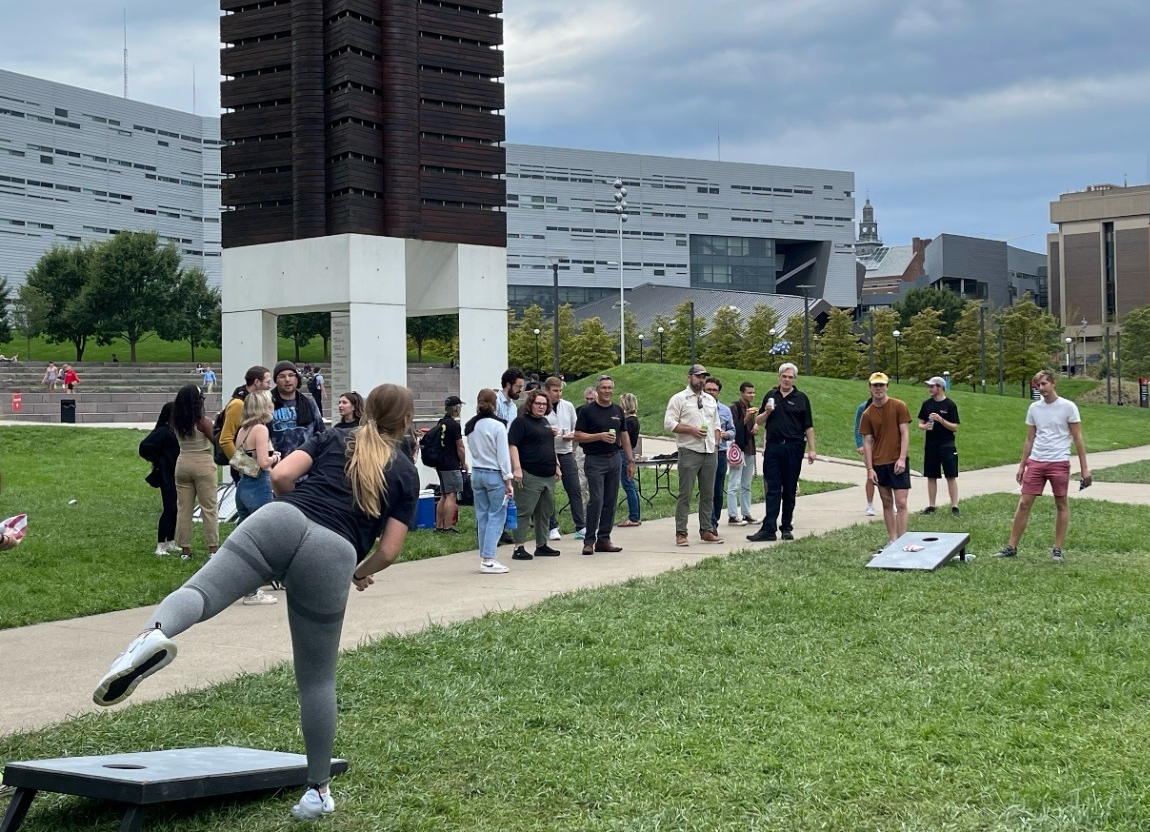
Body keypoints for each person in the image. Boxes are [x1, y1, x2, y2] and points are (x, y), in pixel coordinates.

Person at [93, 384, 419, 822]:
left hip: (282, 518)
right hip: (334, 551)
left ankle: (150, 638)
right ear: (405, 421)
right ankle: (317, 791)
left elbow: (282, 478)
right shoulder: (404, 471)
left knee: (201, 592)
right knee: (316, 679)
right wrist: (358, 573)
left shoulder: (334, 436)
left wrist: (290, 522)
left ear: (366, 412)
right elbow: (390, 549)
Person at [994, 370, 1090, 562]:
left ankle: (1057, 549)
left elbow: (1078, 438)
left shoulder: (1068, 407)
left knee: (1061, 504)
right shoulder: (1034, 409)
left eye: (1044, 384)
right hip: (1036, 461)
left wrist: (1084, 468)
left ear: (1053, 383)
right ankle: (1011, 547)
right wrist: (1022, 466)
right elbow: (1029, 439)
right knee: (1024, 503)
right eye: (1038, 385)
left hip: (1058, 461)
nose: (1041, 388)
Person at [747, 362, 817, 543]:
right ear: (779, 377)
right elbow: (760, 421)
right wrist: (767, 412)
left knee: (789, 488)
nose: (787, 380)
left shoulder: (801, 398)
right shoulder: (771, 396)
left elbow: (808, 426)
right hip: (774, 447)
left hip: (793, 447)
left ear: (795, 379)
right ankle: (769, 528)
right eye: (784, 376)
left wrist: (812, 449)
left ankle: (786, 527)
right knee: (772, 488)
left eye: (790, 377)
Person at [231, 390, 283, 606]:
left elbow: (240, 459)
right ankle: (253, 591)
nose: (272, 405)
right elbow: (263, 462)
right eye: (269, 402)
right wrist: (275, 457)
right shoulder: (260, 429)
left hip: (243, 486)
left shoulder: (243, 429)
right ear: (263, 406)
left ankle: (246, 585)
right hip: (259, 484)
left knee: (247, 539)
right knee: (262, 540)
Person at [664, 364, 724, 547]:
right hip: (689, 451)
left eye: (704, 376)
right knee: (685, 494)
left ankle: (706, 529)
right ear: (689, 377)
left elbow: (716, 424)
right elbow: (668, 424)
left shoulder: (710, 400)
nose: (702, 379)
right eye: (698, 376)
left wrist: (716, 441)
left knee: (708, 494)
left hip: (709, 451)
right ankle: (681, 532)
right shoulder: (679, 399)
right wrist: (691, 429)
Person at [574, 374, 634, 555]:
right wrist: (599, 436)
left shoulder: (617, 410)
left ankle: (604, 539)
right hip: (594, 459)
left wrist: (630, 460)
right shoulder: (587, 411)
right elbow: (577, 435)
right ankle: (589, 541)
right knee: (597, 499)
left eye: (610, 388)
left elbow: (624, 435)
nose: (607, 391)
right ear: (597, 390)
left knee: (610, 499)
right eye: (603, 388)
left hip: (615, 458)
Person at [860, 372, 911, 555]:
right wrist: (870, 468)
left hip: (898, 461)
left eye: (882, 385)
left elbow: (905, 432)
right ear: (870, 388)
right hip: (879, 463)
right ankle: (893, 540)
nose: (879, 389)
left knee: (902, 501)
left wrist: (902, 458)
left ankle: (904, 539)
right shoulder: (867, 414)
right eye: (875, 385)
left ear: (887, 387)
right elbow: (867, 441)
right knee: (887, 502)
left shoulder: (899, 406)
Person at [508, 390, 562, 560]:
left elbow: (549, 446)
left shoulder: (545, 422)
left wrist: (557, 465)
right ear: (530, 404)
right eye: (538, 403)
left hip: (548, 475)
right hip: (529, 474)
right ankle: (519, 547)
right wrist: (517, 468)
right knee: (524, 511)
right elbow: (513, 445)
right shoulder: (520, 422)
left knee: (544, 512)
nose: (541, 406)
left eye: (544, 404)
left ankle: (542, 544)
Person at [464, 389, 513, 574]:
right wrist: (508, 479)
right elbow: (503, 455)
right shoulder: (498, 426)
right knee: (497, 515)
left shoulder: (470, 426)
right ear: (495, 404)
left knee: (482, 515)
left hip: (477, 472)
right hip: (494, 474)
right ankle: (489, 558)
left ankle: (485, 555)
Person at [218, 366, 273, 523]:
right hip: (253, 475)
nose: (270, 385)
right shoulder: (238, 405)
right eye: (268, 382)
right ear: (257, 382)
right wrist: (246, 467)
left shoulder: (246, 425)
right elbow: (225, 439)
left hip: (246, 479)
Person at [170, 384, 219, 559]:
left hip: (182, 463)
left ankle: (185, 549)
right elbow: (216, 442)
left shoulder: (176, 420)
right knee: (209, 507)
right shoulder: (203, 422)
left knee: (184, 508)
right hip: (203, 464)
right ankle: (213, 548)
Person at [544, 376, 585, 541]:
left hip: (566, 451)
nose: (558, 394)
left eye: (560, 390)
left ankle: (581, 526)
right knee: (548, 492)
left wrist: (572, 435)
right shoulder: (541, 407)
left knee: (574, 488)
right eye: (555, 391)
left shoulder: (567, 406)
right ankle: (552, 526)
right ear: (547, 391)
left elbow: (578, 429)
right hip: (547, 452)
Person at [138, 402, 180, 556]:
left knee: (175, 508)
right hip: (166, 474)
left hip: (174, 472)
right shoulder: (163, 432)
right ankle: (160, 544)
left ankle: (171, 540)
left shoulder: (173, 431)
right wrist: (160, 460)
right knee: (169, 507)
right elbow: (144, 447)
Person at [917, 376, 961, 516]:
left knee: (950, 475)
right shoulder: (926, 404)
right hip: (931, 445)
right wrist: (925, 427)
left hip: (947, 445)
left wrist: (941, 420)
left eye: (932, 386)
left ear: (940, 387)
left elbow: (955, 427)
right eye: (929, 386)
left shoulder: (950, 405)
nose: (929, 389)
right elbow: (920, 423)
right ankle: (931, 505)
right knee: (931, 475)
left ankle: (954, 506)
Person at [270, 361, 325, 458]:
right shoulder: (266, 404)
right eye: (282, 376)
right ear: (275, 380)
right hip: (274, 465)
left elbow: (321, 433)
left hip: (305, 464)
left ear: (297, 378)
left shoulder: (309, 403)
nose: (287, 379)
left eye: (291, 375)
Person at [727, 381, 759, 526]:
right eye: (749, 392)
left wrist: (755, 427)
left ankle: (746, 513)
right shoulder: (734, 408)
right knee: (734, 483)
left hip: (750, 449)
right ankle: (732, 515)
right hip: (737, 450)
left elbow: (750, 429)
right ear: (741, 393)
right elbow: (735, 429)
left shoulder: (752, 408)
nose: (751, 395)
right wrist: (747, 417)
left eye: (753, 392)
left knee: (746, 484)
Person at [706, 377, 736, 531]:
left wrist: (725, 435)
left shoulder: (725, 410)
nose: (711, 392)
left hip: (720, 453)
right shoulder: (698, 407)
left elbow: (732, 431)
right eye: (708, 389)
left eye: (714, 390)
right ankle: (708, 524)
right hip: (703, 452)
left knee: (718, 490)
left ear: (719, 392)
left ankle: (714, 521)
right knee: (706, 490)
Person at [434, 395, 467, 534]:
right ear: (455, 408)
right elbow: (460, 447)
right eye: (459, 406)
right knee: (451, 495)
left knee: (444, 495)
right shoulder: (454, 425)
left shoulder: (441, 422)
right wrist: (464, 463)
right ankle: (447, 527)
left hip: (440, 464)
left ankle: (439, 526)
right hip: (451, 464)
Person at [616, 392, 642, 527]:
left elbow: (622, 440)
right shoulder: (634, 420)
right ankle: (635, 515)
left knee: (628, 484)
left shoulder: (628, 422)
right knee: (630, 485)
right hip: (629, 452)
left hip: (624, 453)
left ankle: (634, 516)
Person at [854, 395, 877, 516]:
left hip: (884, 445)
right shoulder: (863, 407)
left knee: (888, 476)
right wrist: (860, 444)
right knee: (870, 474)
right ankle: (870, 504)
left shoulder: (889, 406)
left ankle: (891, 503)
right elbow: (858, 427)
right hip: (869, 444)